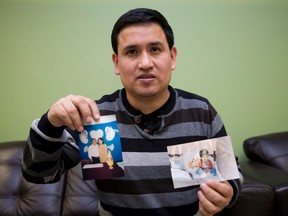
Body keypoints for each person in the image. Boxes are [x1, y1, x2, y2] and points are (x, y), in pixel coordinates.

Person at [22, 8, 243, 216]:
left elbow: (232, 174)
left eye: (155, 50)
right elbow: (39, 174)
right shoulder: (96, 118)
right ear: (117, 63)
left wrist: (228, 192)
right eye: (132, 52)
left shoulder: (200, 112)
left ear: (172, 57)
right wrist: (50, 122)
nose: (145, 63)